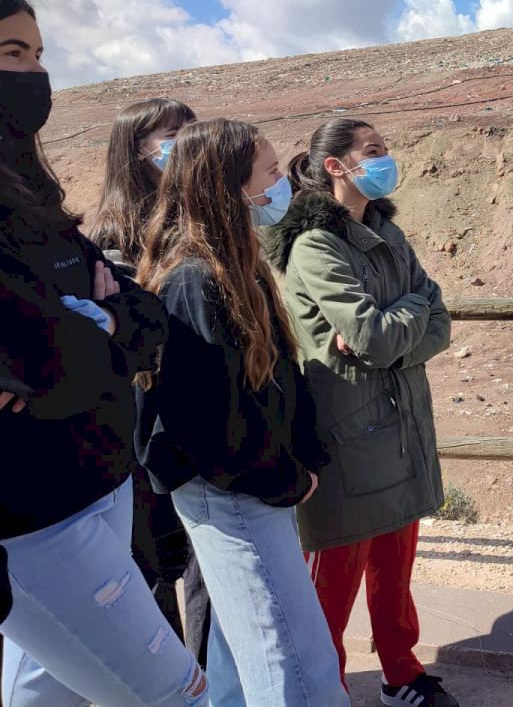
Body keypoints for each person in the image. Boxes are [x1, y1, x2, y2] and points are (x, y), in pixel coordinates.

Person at [0, 0, 209, 705]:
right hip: (36, 519)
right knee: (176, 692)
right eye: (12, 52)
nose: (35, 73)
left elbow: (146, 325)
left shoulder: (32, 196)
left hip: (101, 486)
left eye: (38, 54)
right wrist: (107, 323)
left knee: (45, 696)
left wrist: (104, 323)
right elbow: (48, 360)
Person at [135, 117, 348, 707]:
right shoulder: (194, 283)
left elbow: (275, 378)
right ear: (227, 187)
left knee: (241, 646)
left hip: (252, 484)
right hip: (232, 491)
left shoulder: (237, 267)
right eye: (270, 172)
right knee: (293, 659)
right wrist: (284, 478)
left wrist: (303, 456)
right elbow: (207, 424)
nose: (282, 184)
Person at [264, 119, 455, 707]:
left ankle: (402, 673)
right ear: (335, 166)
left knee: (395, 572)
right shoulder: (315, 246)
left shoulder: (386, 231)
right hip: (347, 435)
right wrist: (408, 315)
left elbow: (438, 323)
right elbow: (374, 338)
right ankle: (327, 692)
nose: (385, 158)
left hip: (401, 424)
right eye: (372, 151)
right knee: (332, 585)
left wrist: (400, 322)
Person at [89, 97, 212, 663]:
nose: (187, 143)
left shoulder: (199, 222)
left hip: (201, 413)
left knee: (208, 564)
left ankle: (210, 684)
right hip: (140, 429)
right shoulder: (109, 241)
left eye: (191, 130)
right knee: (155, 568)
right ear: (135, 150)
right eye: (172, 134)